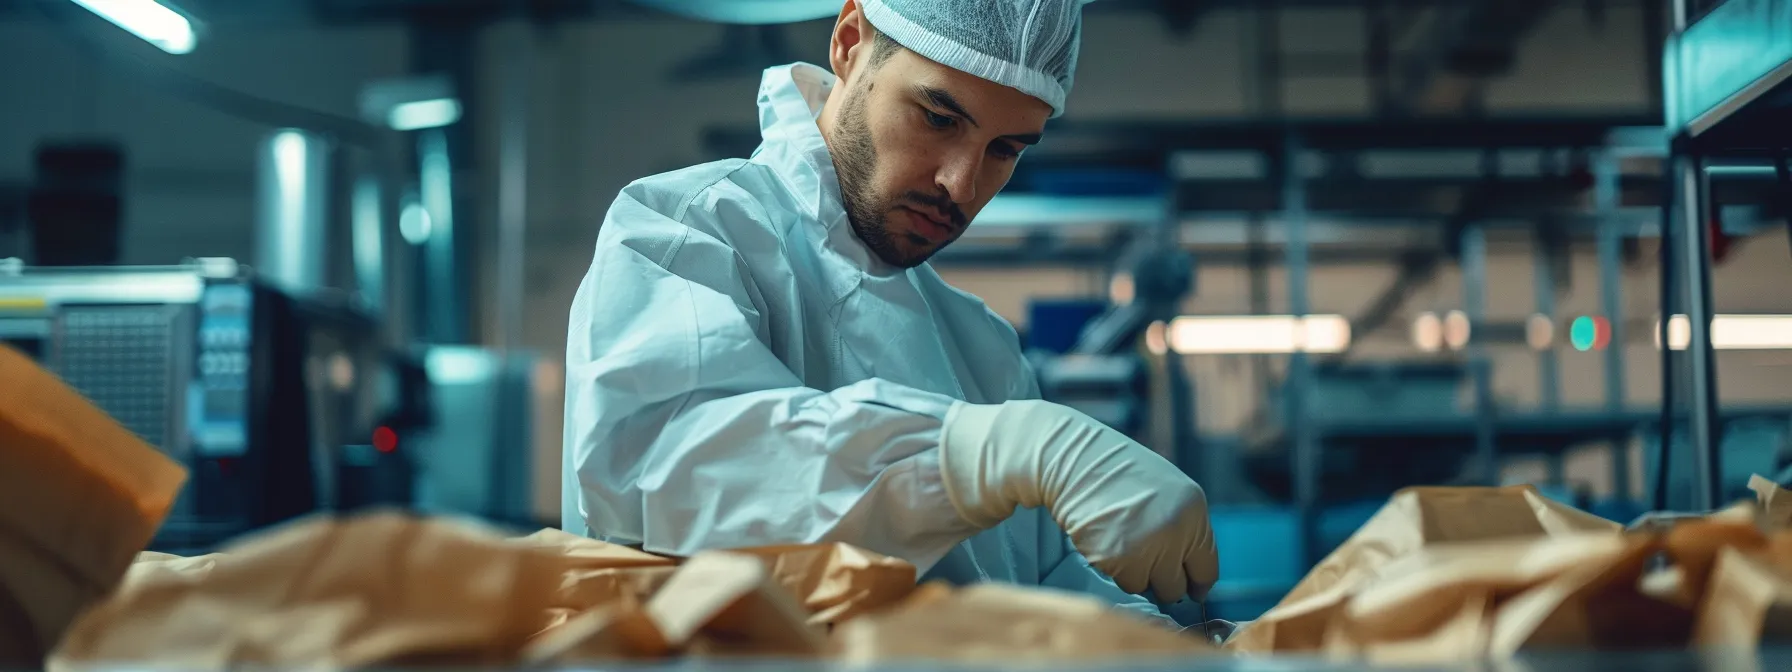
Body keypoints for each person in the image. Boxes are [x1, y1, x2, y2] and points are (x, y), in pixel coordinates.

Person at [562, 0, 1218, 623]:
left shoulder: (981, 348)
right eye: (938, 117)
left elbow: (1032, 588)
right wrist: (972, 454)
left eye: (1005, 150)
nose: (961, 183)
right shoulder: (686, 233)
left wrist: (1165, 644)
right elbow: (660, 474)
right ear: (850, 42)